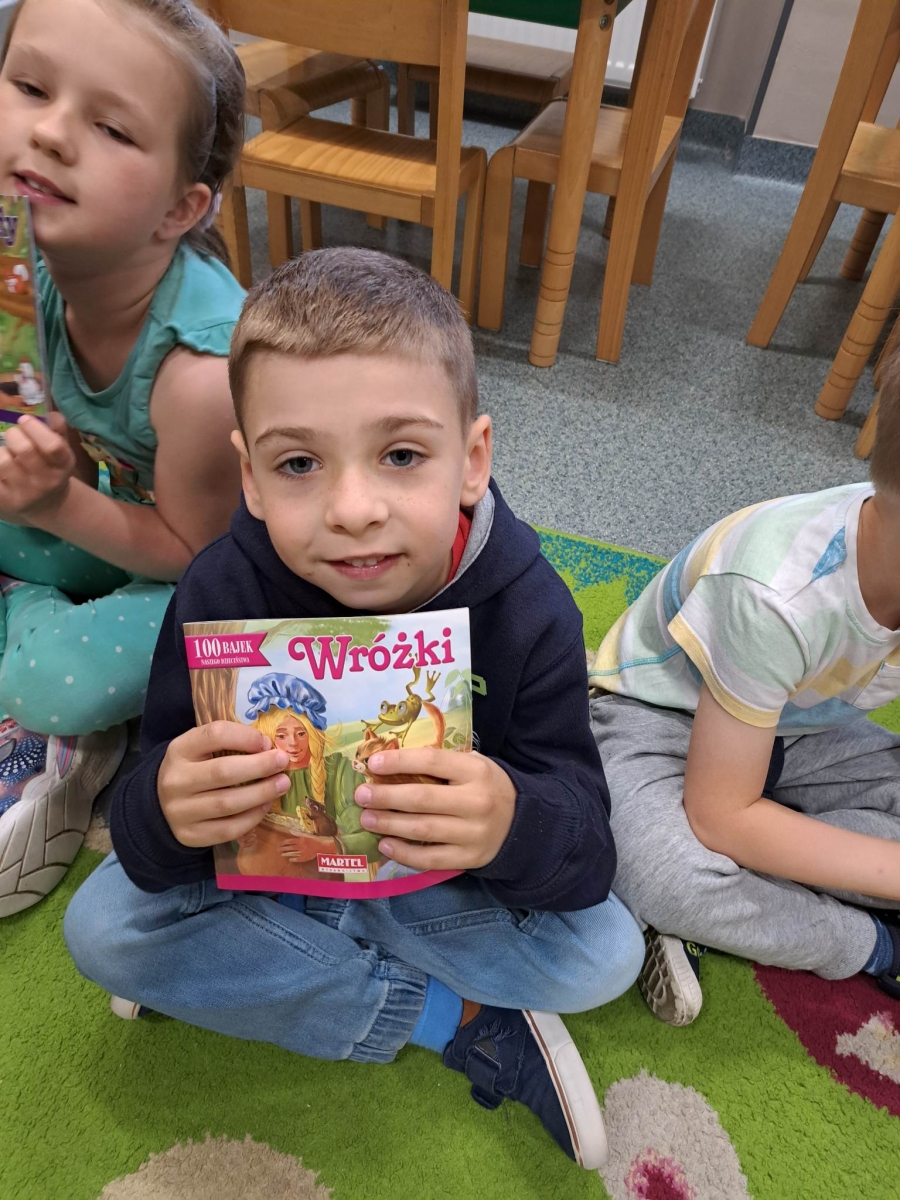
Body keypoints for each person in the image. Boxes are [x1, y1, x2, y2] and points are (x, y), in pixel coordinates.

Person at [64, 249, 644, 1170]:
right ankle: (457, 1017)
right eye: (299, 463)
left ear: (472, 460)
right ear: (251, 478)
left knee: (606, 951)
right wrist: (170, 806)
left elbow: (584, 837)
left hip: (435, 888)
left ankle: (246, 965)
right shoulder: (219, 589)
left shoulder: (531, 608)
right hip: (267, 873)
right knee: (101, 930)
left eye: (402, 455)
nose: (353, 509)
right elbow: (148, 810)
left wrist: (509, 821)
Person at [0, 0, 246, 915]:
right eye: (29, 86)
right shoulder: (25, 253)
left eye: (112, 129)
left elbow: (197, 557)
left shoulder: (199, 372)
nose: (50, 132)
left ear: (180, 209)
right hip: (106, 504)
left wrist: (55, 504)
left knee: (44, 682)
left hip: (213, 575)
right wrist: (51, 475)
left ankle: (75, 732)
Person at [589, 355, 900, 1029]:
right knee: (670, 876)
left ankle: (751, 881)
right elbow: (720, 815)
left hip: (800, 727)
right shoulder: (779, 592)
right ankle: (872, 940)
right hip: (657, 718)